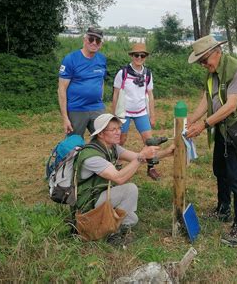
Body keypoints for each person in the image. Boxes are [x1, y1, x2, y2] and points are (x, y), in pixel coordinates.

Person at [186, 35, 237, 247]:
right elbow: (208, 99)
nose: (203, 65)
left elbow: (231, 106)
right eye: (200, 62)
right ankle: (223, 209)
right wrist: (190, 120)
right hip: (223, 130)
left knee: (236, 177)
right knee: (219, 169)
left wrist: (204, 125)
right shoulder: (213, 72)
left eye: (204, 60)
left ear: (216, 53)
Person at [73, 113, 174, 244]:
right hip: (88, 204)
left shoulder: (112, 147)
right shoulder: (91, 156)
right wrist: (141, 156)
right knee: (130, 189)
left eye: (119, 128)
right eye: (113, 130)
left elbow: (139, 157)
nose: (118, 132)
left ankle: (107, 226)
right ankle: (112, 235)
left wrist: (166, 153)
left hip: (101, 195)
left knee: (132, 218)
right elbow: (119, 178)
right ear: (101, 134)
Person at [111, 43, 159, 180]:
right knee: (121, 139)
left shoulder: (148, 73)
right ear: (132, 56)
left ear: (145, 57)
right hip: (124, 112)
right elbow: (115, 94)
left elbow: (150, 95)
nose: (139, 57)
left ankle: (151, 167)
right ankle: (117, 164)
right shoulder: (123, 72)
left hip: (141, 112)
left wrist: (152, 116)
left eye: (142, 55)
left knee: (149, 141)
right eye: (136, 55)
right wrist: (114, 116)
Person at [58, 27, 107, 138]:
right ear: (84, 40)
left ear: (100, 44)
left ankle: (97, 156)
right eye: (91, 39)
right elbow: (62, 89)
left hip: (97, 107)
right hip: (76, 109)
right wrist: (65, 118)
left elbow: (101, 80)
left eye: (98, 40)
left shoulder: (102, 59)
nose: (94, 43)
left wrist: (100, 98)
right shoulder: (70, 59)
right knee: (74, 144)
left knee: (105, 139)